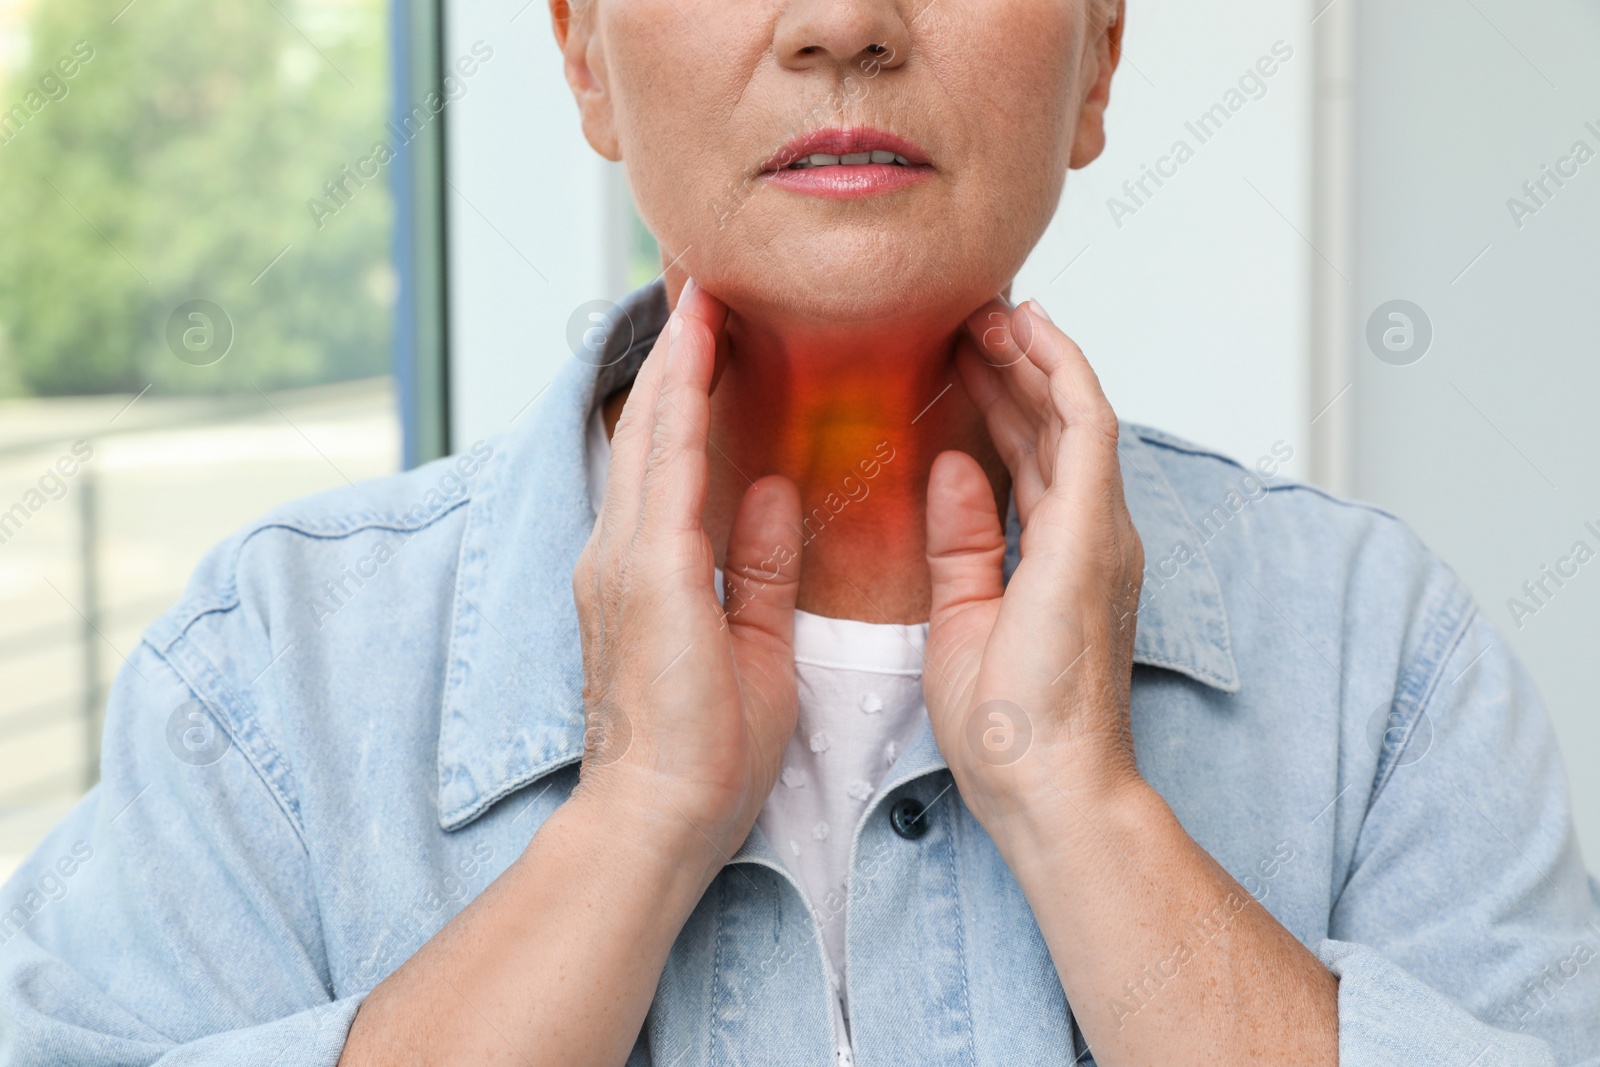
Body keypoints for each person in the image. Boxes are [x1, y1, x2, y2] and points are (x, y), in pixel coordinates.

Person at [3, 0, 1598, 1064]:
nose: (845, 20)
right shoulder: (270, 677)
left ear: (1101, 57)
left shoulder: (1381, 656)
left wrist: (1081, 807)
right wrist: (634, 820)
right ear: (580, 55)